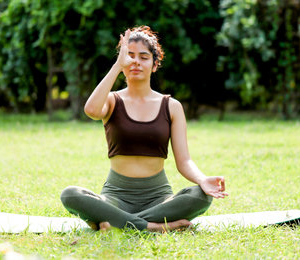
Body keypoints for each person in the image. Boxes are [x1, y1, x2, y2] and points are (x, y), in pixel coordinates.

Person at [60, 26, 228, 232]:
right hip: (115, 196)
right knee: (70, 195)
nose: (136, 62)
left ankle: (117, 222)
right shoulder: (112, 101)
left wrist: (203, 180)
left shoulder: (171, 106)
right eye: (129, 56)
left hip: (159, 198)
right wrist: (116, 66)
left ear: (155, 65)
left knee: (200, 197)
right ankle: (152, 226)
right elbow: (92, 110)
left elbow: (184, 161)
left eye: (144, 57)